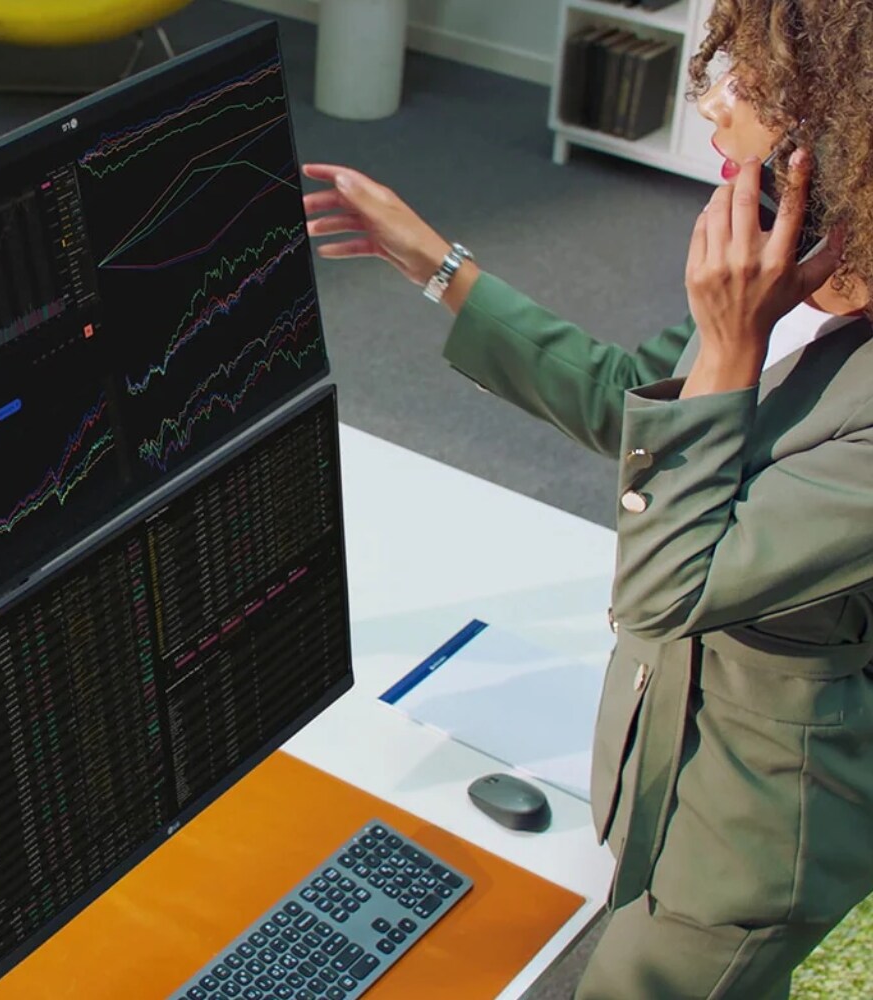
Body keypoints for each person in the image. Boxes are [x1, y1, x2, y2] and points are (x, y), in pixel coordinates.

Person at [301, 1, 873, 996]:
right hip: (667, 752)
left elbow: (668, 586)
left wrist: (731, 348)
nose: (712, 108)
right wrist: (433, 264)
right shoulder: (789, 273)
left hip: (748, 837)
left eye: (751, 84)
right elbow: (634, 402)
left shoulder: (774, 324)